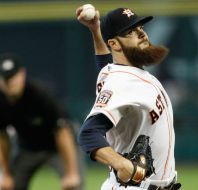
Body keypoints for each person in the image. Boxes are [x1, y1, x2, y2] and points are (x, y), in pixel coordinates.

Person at [76, 5, 181, 190]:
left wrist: (96, 31)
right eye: (131, 31)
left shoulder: (112, 72)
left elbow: (105, 63)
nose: (142, 34)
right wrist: (121, 164)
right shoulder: (122, 83)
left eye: (141, 28)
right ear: (115, 44)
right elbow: (88, 133)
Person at [0, 53, 83, 190]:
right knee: (9, 186)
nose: (10, 82)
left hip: (57, 147)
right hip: (28, 149)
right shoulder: (1, 101)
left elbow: (62, 132)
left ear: (22, 74)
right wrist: (6, 173)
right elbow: (3, 138)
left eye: (12, 77)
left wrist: (72, 173)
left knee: (74, 185)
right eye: (5, 78)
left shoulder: (40, 94)